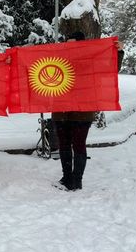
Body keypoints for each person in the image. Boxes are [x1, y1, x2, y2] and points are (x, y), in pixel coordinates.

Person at [52, 31, 124, 191]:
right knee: (63, 145)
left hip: (82, 112)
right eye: (67, 43)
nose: (70, 46)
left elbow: (110, 68)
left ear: (82, 44)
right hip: (61, 109)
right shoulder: (58, 59)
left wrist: (118, 52)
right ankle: (66, 177)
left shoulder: (92, 60)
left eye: (74, 43)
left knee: (78, 144)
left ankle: (77, 180)